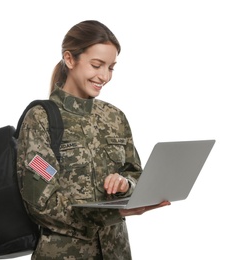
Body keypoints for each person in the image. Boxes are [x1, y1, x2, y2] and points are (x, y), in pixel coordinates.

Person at [17, 20, 170, 260]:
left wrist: (125, 183)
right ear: (69, 59)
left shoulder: (115, 117)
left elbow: (135, 173)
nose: (105, 76)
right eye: (97, 65)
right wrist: (114, 212)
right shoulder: (40, 119)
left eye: (111, 67)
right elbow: (42, 204)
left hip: (116, 253)